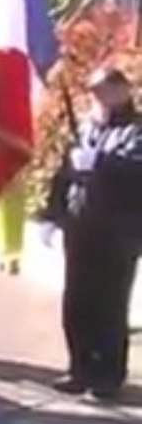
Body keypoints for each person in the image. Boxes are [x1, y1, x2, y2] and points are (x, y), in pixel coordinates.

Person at [39, 67, 141, 401]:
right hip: (80, 227)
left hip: (118, 231)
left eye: (104, 91)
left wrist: (100, 162)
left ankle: (108, 375)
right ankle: (79, 367)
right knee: (77, 302)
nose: (97, 98)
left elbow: (134, 169)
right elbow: (63, 175)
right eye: (94, 92)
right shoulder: (85, 128)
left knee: (109, 305)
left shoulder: (135, 130)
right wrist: (51, 215)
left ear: (123, 91)